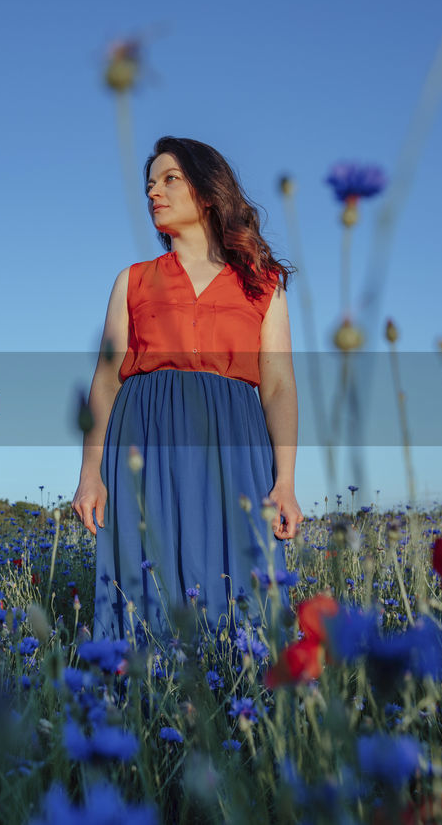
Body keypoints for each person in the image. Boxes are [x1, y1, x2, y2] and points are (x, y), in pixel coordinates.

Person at [72, 136, 303, 644]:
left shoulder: (264, 285)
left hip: (235, 439)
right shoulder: (132, 281)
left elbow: (280, 385)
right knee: (144, 578)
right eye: (149, 183)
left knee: (241, 578)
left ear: (207, 190)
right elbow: (107, 378)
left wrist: (285, 480)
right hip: (144, 437)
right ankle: (139, 708)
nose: (154, 191)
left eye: (169, 178)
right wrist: (91, 473)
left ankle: (239, 700)